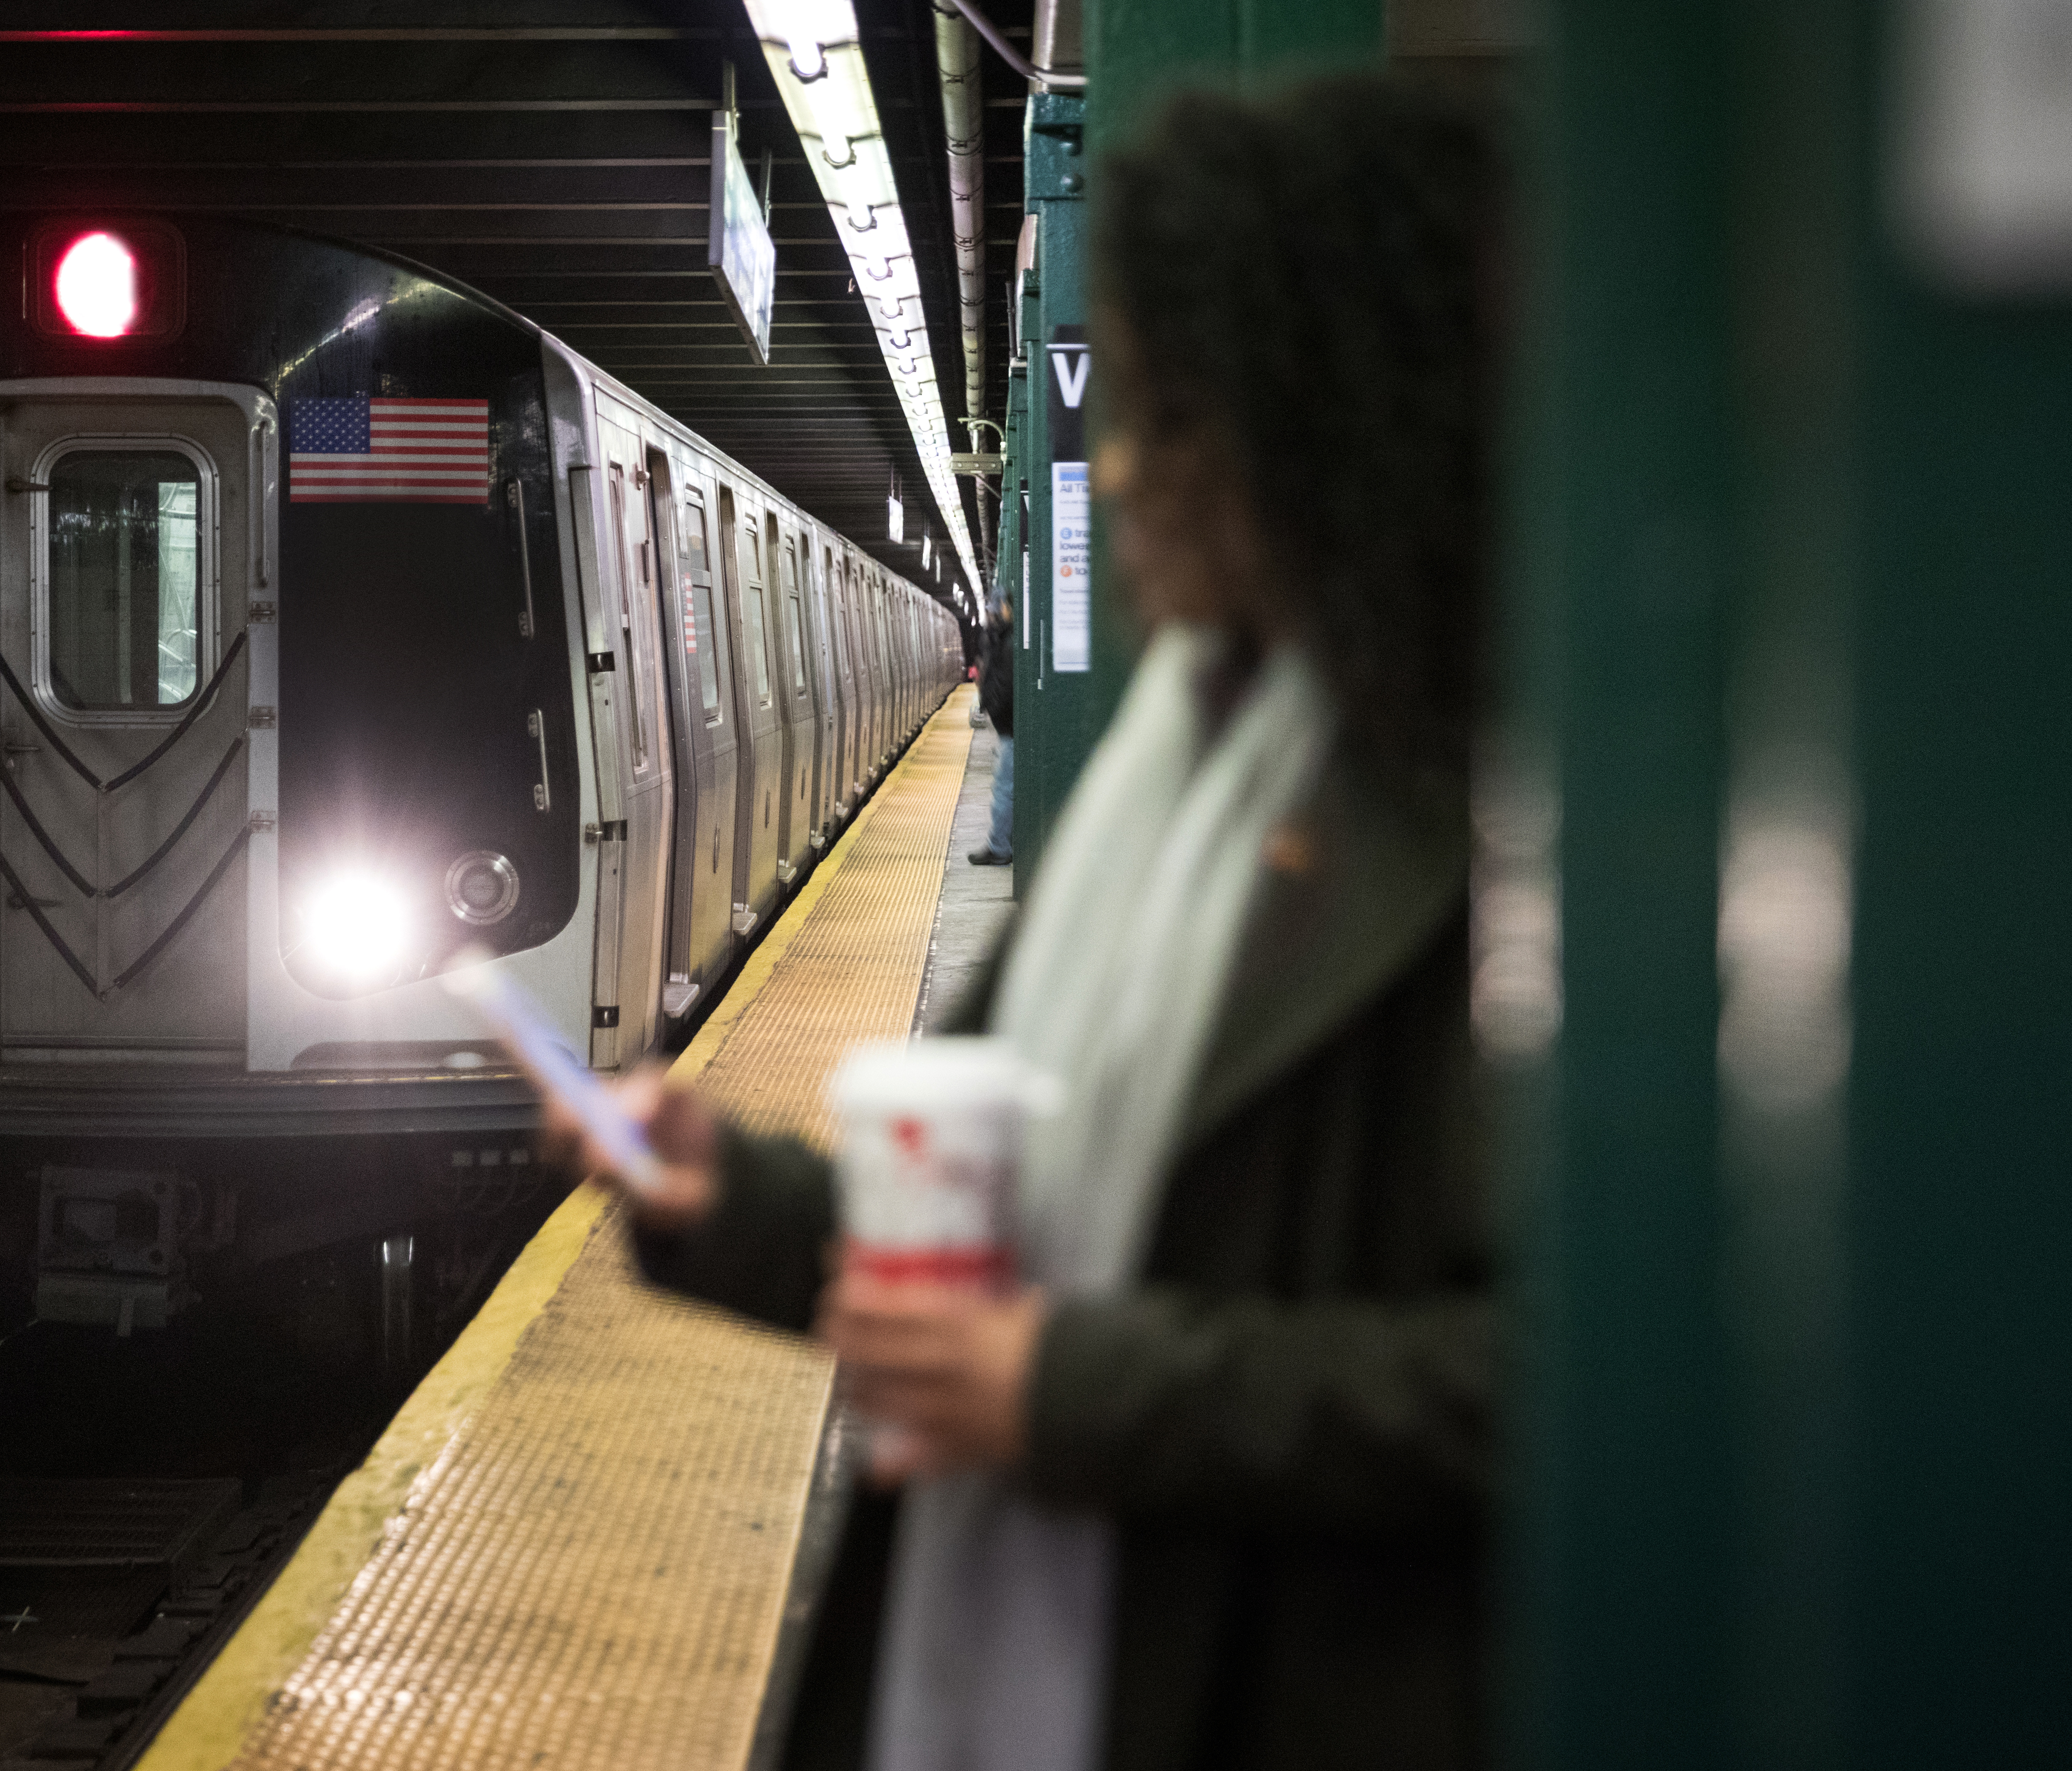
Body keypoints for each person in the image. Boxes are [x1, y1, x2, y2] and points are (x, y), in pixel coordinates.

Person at [550, 71, 1502, 1771]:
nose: (1120, 469)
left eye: (1174, 419)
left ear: (1332, 426)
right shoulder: (1170, 765)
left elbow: (1559, 1382)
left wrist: (1067, 1392)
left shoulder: (1495, 831)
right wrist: (736, 1200)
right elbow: (1011, 1236)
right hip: (1018, 1661)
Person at [971, 597, 1016, 866]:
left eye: (995, 611)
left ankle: (999, 847)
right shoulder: (1000, 641)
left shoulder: (1008, 644)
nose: (991, 617)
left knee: (1004, 788)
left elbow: (1004, 683)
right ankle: (999, 843)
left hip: (1009, 726)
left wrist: (992, 704)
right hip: (1005, 724)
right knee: (1003, 787)